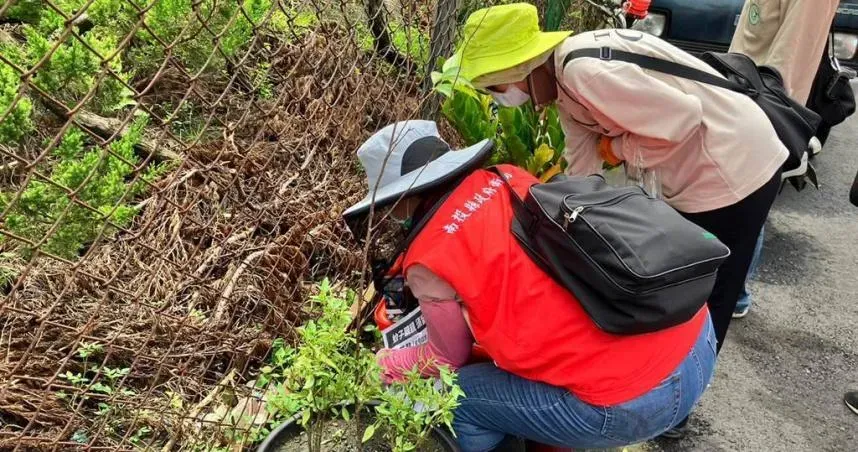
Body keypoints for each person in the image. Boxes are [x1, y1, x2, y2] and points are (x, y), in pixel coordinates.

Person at [447, 3, 790, 438]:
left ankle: (676, 409)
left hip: (732, 164)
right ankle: (666, 376)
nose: (499, 98)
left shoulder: (583, 74)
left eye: (494, 86)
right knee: (682, 279)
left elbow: (681, 119)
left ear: (518, 67)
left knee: (709, 286)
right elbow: (581, 174)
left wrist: (619, 151)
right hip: (704, 162)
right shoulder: (566, 89)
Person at [343, 120, 717, 451]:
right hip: (695, 337)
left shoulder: (428, 258)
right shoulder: (506, 178)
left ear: (401, 197)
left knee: (458, 397)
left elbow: (446, 356)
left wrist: (384, 363)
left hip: (634, 402)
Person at [728, 0, 840, 319]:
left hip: (761, 108)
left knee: (748, 199)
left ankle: (734, 293)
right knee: (735, 198)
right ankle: (729, 289)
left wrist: (762, 116)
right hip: (739, 96)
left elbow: (788, 64)